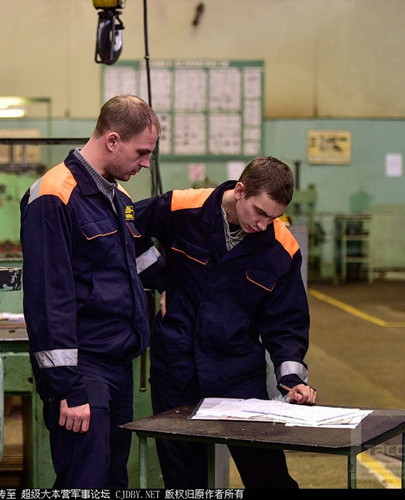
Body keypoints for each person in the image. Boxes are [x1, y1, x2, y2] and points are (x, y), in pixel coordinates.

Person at [134, 156, 317, 489]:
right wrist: (160, 277)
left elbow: (287, 324)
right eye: (259, 212)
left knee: (268, 476)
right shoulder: (183, 208)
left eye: (274, 217)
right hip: (177, 368)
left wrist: (292, 379)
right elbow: (128, 223)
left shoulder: (281, 248)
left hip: (238, 377)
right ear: (240, 191)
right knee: (185, 481)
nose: (264, 225)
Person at [19, 94, 161, 488]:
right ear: (112, 141)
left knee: (114, 475)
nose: (146, 163)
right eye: (142, 152)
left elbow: (142, 266)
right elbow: (49, 298)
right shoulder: (54, 195)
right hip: (82, 367)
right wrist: (68, 386)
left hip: (118, 364)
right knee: (85, 478)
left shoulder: (119, 199)